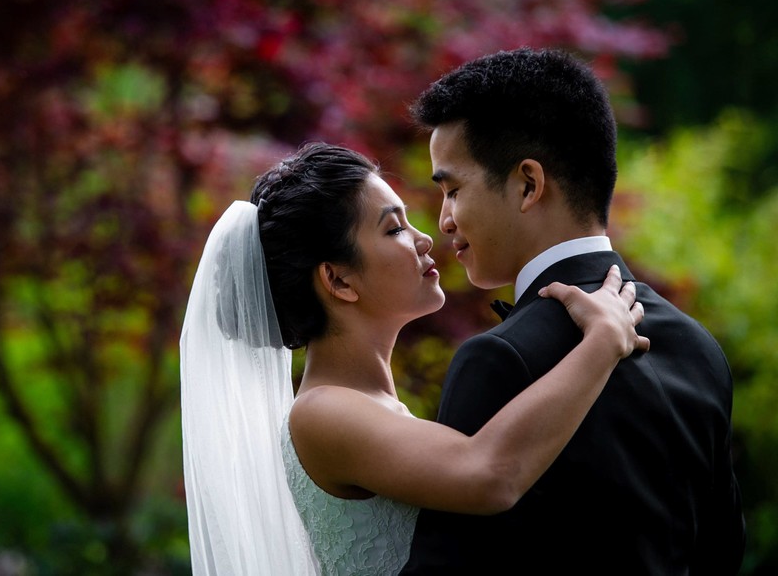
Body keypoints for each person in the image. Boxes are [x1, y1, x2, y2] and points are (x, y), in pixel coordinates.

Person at [180, 142, 649, 576]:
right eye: (394, 228)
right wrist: (602, 341)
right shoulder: (322, 413)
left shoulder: (370, 407)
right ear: (339, 281)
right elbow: (490, 476)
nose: (425, 238)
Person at [401, 47, 745, 575]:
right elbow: (721, 554)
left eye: (452, 189)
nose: (444, 220)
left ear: (528, 184)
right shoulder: (699, 345)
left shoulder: (499, 358)